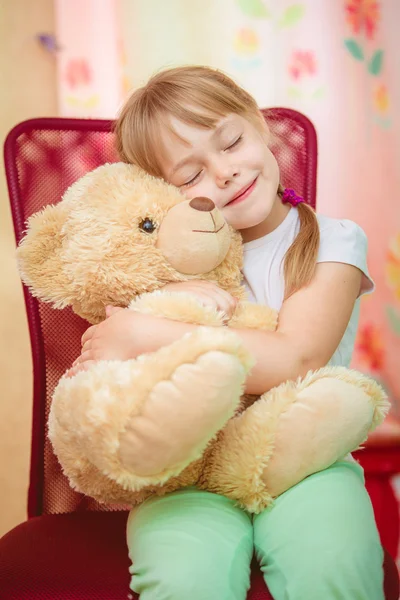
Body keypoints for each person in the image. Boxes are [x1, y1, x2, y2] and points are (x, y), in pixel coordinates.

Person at [71, 66, 384, 599]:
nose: (224, 174)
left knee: (335, 568)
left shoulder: (332, 241)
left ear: (260, 126)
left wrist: (148, 330)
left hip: (308, 463)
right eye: (189, 175)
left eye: (232, 141)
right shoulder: (158, 271)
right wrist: (137, 324)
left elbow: (294, 358)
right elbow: (106, 371)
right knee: (182, 580)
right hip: (189, 472)